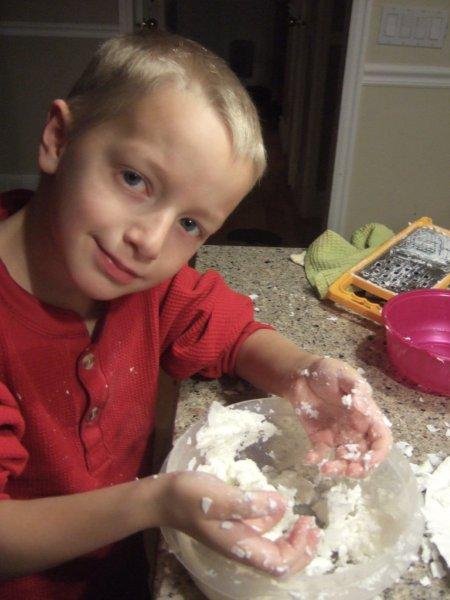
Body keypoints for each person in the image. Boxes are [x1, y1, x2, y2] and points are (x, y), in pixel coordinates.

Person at [0, 30, 392, 599]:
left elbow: (229, 332)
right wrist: (156, 502)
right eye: (134, 179)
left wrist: (301, 372)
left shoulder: (142, 285)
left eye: (189, 224)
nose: (149, 240)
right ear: (59, 139)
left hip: (118, 570)